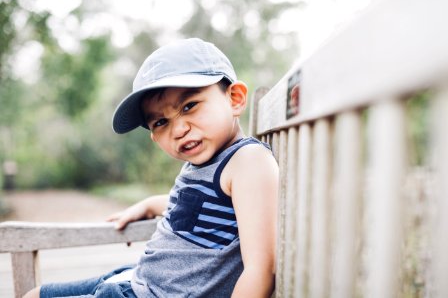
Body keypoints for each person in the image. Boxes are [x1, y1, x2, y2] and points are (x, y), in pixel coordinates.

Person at [24, 38, 279, 298]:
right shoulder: (205, 162)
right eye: (160, 122)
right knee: (33, 295)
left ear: (234, 99)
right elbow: (193, 207)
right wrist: (148, 205)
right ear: (154, 136)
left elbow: (261, 270)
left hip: (154, 293)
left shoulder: (248, 161)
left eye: (189, 106)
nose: (178, 129)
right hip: (136, 279)